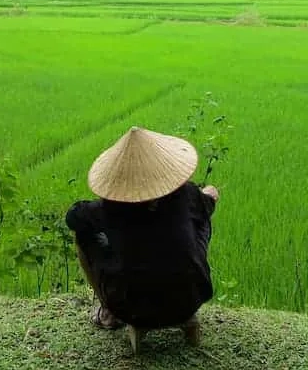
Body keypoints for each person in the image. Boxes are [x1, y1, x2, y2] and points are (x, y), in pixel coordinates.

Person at [65, 126, 219, 353]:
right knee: (202, 216)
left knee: (83, 235)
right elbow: (208, 203)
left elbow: (73, 217)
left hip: (128, 308)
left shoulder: (110, 208)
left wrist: (102, 209)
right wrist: (209, 193)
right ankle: (186, 290)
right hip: (191, 299)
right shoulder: (185, 194)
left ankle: (107, 310)